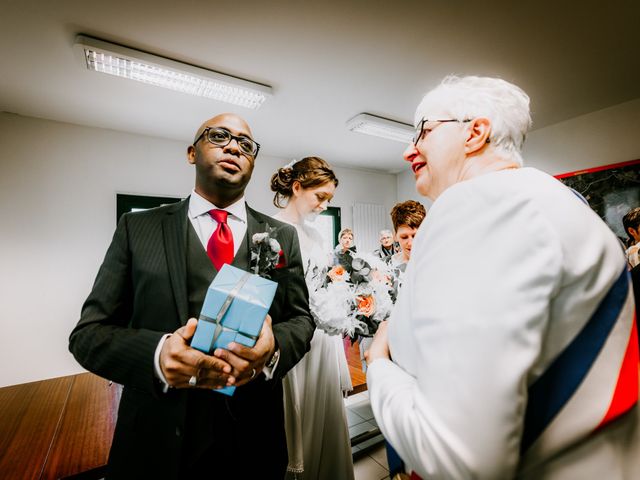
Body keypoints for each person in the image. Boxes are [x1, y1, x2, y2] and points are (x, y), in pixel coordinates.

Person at [366, 75, 640, 479]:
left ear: (475, 132)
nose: (409, 149)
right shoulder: (554, 198)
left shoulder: (482, 204)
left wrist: (377, 365)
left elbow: (458, 459)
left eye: (423, 130)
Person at [68, 113, 315, 479]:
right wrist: (157, 355)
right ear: (191, 153)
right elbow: (88, 335)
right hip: (156, 440)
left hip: (253, 439)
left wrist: (272, 347)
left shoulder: (281, 234)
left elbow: (301, 318)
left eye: (246, 144)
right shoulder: (137, 228)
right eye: (219, 136)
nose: (234, 146)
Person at [271, 157, 354, 480]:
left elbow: (323, 284)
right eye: (320, 197)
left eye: (329, 200)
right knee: (297, 418)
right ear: (296, 187)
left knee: (324, 417)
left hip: (323, 340)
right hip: (293, 339)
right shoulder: (270, 228)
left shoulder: (318, 237)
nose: (323, 206)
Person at [386, 200, 426, 270]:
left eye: (415, 236)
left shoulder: (435, 263)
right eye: (404, 237)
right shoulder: (386, 266)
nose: (410, 243)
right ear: (395, 236)